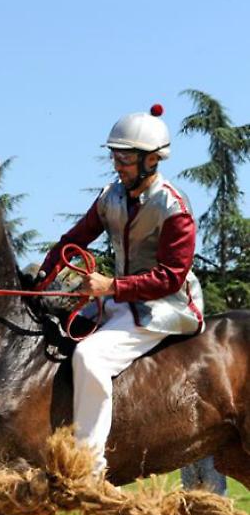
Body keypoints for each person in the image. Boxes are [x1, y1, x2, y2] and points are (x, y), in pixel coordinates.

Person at [38, 104, 203, 476]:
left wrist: (111, 285)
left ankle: (88, 468)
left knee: (90, 358)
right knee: (56, 335)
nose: (117, 165)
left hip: (165, 306)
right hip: (119, 299)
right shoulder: (110, 196)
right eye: (115, 156)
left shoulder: (174, 207)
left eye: (125, 158)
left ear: (151, 160)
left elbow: (172, 277)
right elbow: (73, 240)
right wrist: (42, 280)